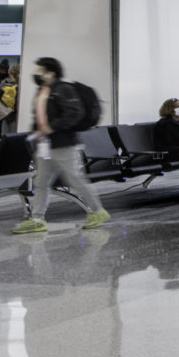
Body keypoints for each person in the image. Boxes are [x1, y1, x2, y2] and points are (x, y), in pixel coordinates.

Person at [13, 55, 111, 234]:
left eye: (41, 70)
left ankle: (98, 211)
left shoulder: (63, 89)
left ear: (51, 72)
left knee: (74, 178)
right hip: (45, 144)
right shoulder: (42, 91)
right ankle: (37, 219)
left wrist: (52, 127)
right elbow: (40, 116)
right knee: (41, 182)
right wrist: (36, 131)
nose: (37, 73)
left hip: (63, 143)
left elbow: (74, 113)